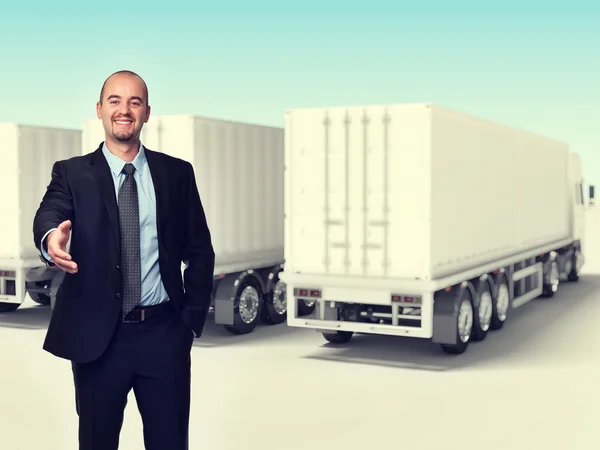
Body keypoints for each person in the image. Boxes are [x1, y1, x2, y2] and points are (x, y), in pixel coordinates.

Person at [32, 70, 215, 450]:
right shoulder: (72, 172)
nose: (124, 110)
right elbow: (50, 213)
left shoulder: (177, 174)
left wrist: (189, 324)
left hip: (164, 335)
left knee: (169, 442)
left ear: (147, 113)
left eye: (135, 102)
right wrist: (53, 239)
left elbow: (199, 250)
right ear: (100, 110)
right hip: (99, 338)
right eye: (115, 101)